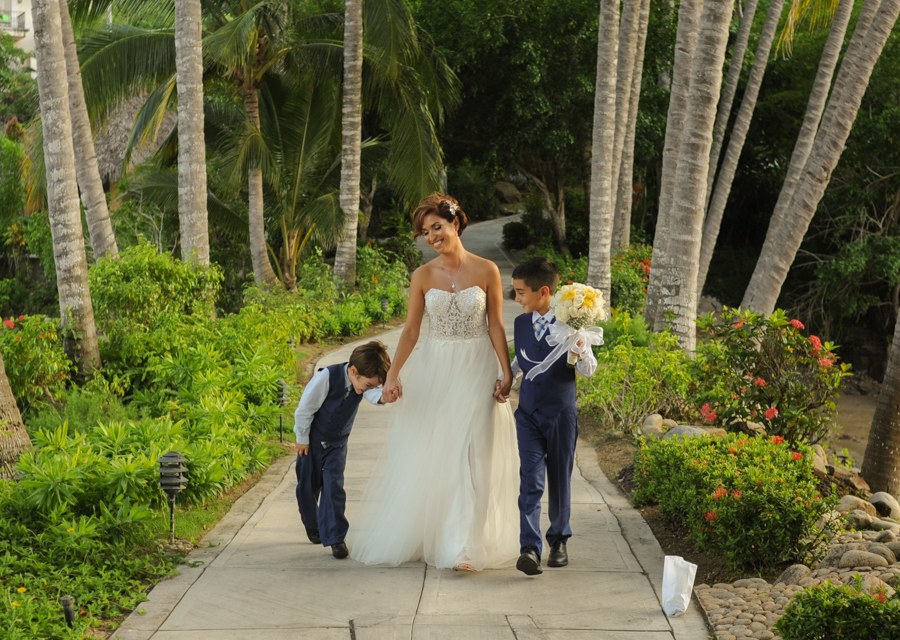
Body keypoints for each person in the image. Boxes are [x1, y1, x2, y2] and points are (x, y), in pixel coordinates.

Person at [349, 193, 519, 571]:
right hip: (436, 367)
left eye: (436, 227)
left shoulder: (487, 270)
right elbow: (411, 331)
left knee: (476, 455)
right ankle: (454, 544)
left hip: (476, 365)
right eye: (425, 232)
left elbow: (495, 325)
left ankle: (467, 543)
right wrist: (392, 375)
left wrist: (506, 373)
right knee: (447, 453)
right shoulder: (422, 276)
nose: (431, 236)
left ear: (455, 223)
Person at [502, 257, 597, 575]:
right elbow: (522, 360)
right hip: (527, 413)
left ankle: (558, 540)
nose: (517, 299)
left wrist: (581, 348)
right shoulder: (519, 324)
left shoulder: (571, 323)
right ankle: (529, 547)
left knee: (559, 479)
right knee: (530, 480)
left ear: (543, 291)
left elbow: (589, 370)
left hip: (560, 413)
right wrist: (507, 379)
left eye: (520, 292)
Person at [294, 341, 396, 559]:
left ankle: (336, 537)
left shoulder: (363, 384)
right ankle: (313, 526)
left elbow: (371, 394)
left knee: (333, 488)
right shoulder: (325, 378)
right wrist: (302, 438)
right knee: (307, 486)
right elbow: (304, 409)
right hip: (311, 442)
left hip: (337, 445)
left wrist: (383, 396)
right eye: (369, 384)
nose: (369, 389)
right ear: (353, 371)